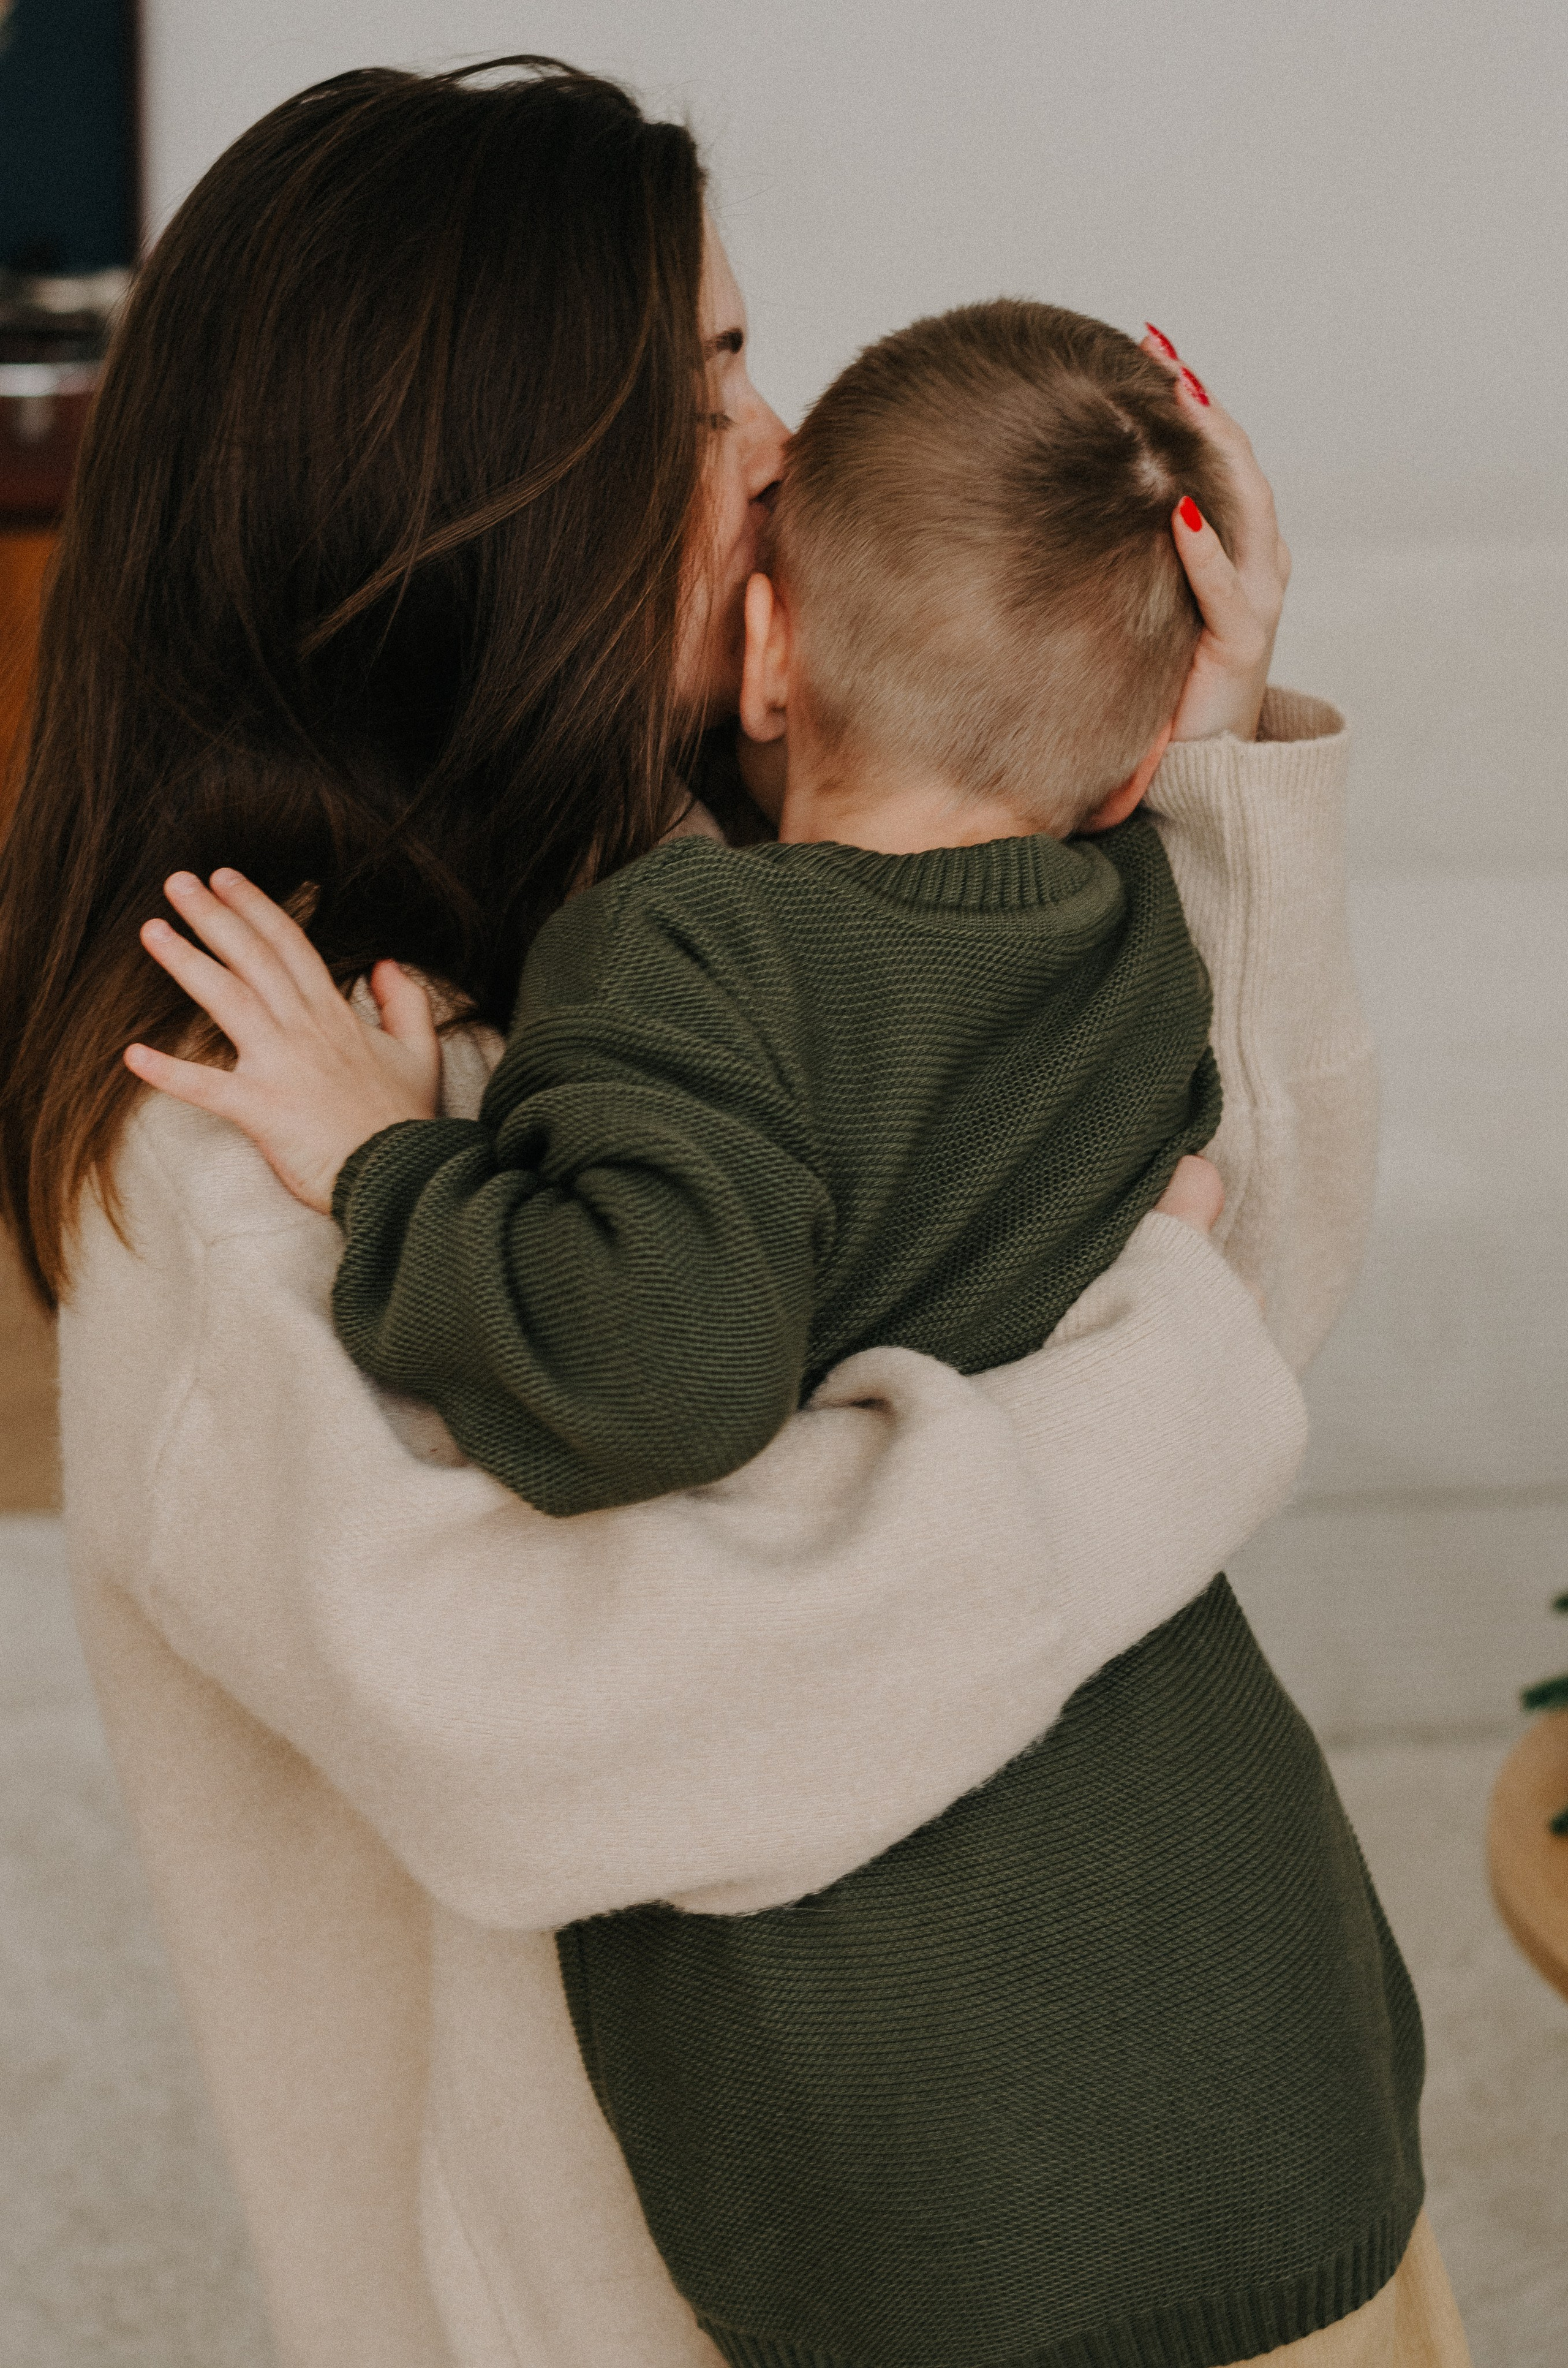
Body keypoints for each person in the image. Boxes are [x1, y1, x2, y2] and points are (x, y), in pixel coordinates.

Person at [0, 56, 1459, 2368]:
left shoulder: (728, 883)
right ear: (486, 483)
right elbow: (563, 1723)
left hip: (1081, 2185)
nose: (783, 448)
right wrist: (1154, 1417)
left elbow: (1231, 1256)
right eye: (705, 391)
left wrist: (1189, 758)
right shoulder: (227, 1113)